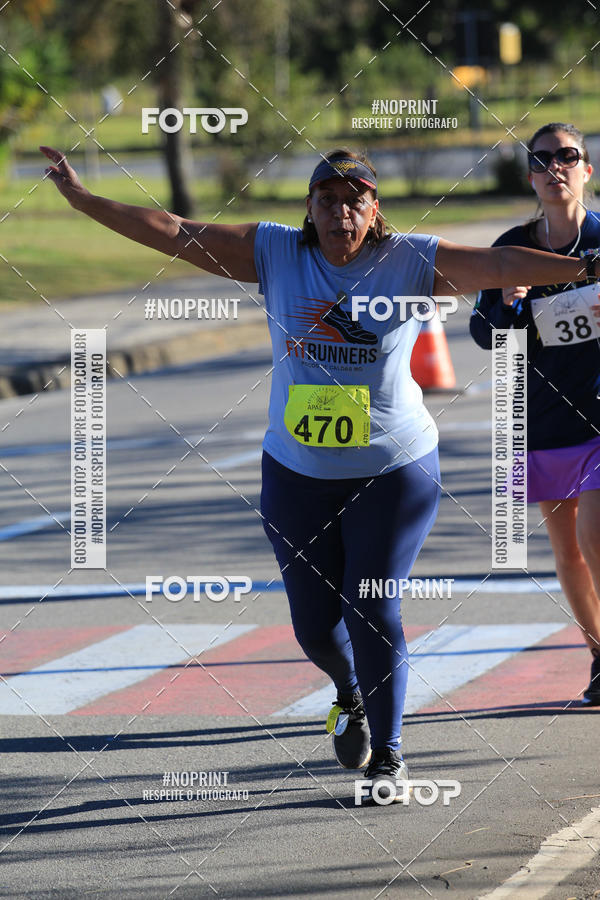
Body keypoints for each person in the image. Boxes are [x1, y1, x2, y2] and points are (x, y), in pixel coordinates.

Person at [41, 143, 600, 804]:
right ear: (309, 210)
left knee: (371, 602)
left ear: (374, 209)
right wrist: (80, 199)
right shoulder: (276, 253)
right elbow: (172, 231)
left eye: (354, 200)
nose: (341, 214)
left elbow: (501, 262)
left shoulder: (409, 260)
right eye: (327, 201)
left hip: (393, 469)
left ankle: (389, 755)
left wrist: (586, 264)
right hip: (296, 472)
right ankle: (347, 693)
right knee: (313, 627)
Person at [470, 122, 600, 706]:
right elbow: (483, 333)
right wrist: (505, 305)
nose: (555, 168)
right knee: (568, 549)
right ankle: (599, 652)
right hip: (544, 419)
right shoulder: (511, 248)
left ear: (586, 169)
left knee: (597, 539)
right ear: (530, 176)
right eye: (542, 159)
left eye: (567, 157)